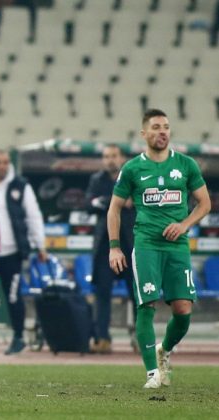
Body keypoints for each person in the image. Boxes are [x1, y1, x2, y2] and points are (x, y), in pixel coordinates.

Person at [108, 108, 210, 389]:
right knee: (146, 305)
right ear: (144, 133)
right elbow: (114, 209)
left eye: (165, 127)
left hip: (177, 247)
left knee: (183, 312)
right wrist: (114, 247)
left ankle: (164, 350)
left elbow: (204, 204)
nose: (162, 131)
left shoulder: (186, 165)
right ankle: (152, 373)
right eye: (156, 127)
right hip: (146, 245)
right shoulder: (132, 168)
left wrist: (185, 224)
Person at [0, 149, 47, 355]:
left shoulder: (20, 185)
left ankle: (18, 337)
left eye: (5, 162)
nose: (2, 166)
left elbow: (33, 215)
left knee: (14, 297)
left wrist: (40, 244)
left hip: (12, 252)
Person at [86, 144, 137, 355]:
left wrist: (107, 201)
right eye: (106, 156)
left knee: (138, 294)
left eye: (114, 156)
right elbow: (90, 204)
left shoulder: (133, 177)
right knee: (102, 294)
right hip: (105, 247)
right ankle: (102, 338)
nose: (110, 160)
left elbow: (140, 203)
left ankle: (141, 337)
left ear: (121, 157)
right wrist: (117, 201)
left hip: (131, 245)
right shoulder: (97, 180)